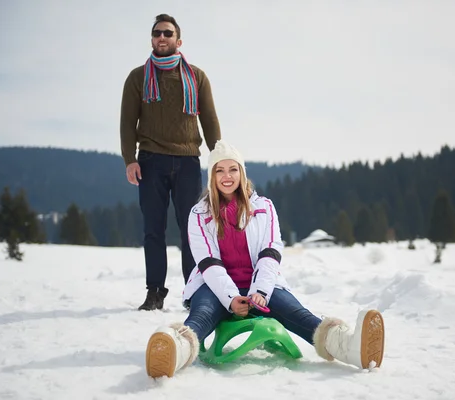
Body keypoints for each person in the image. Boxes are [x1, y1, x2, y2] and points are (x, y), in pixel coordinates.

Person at [144, 141, 385, 378]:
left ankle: (348, 347)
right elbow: (208, 261)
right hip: (213, 285)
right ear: (212, 176)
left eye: (233, 169)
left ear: (242, 172)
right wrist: (231, 298)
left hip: (261, 283)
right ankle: (175, 350)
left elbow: (271, 251)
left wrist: (260, 290)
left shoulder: (264, 207)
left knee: (296, 312)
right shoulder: (199, 214)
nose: (227, 176)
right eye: (220, 170)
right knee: (202, 313)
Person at [120, 14, 221, 311]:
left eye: (167, 33)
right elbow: (127, 123)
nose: (161, 38)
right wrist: (130, 159)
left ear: (178, 41)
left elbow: (210, 120)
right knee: (154, 229)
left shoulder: (197, 76)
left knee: (192, 230)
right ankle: (155, 292)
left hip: (189, 161)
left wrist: (218, 158)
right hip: (151, 162)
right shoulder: (138, 77)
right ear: (152, 39)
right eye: (156, 33)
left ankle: (194, 292)